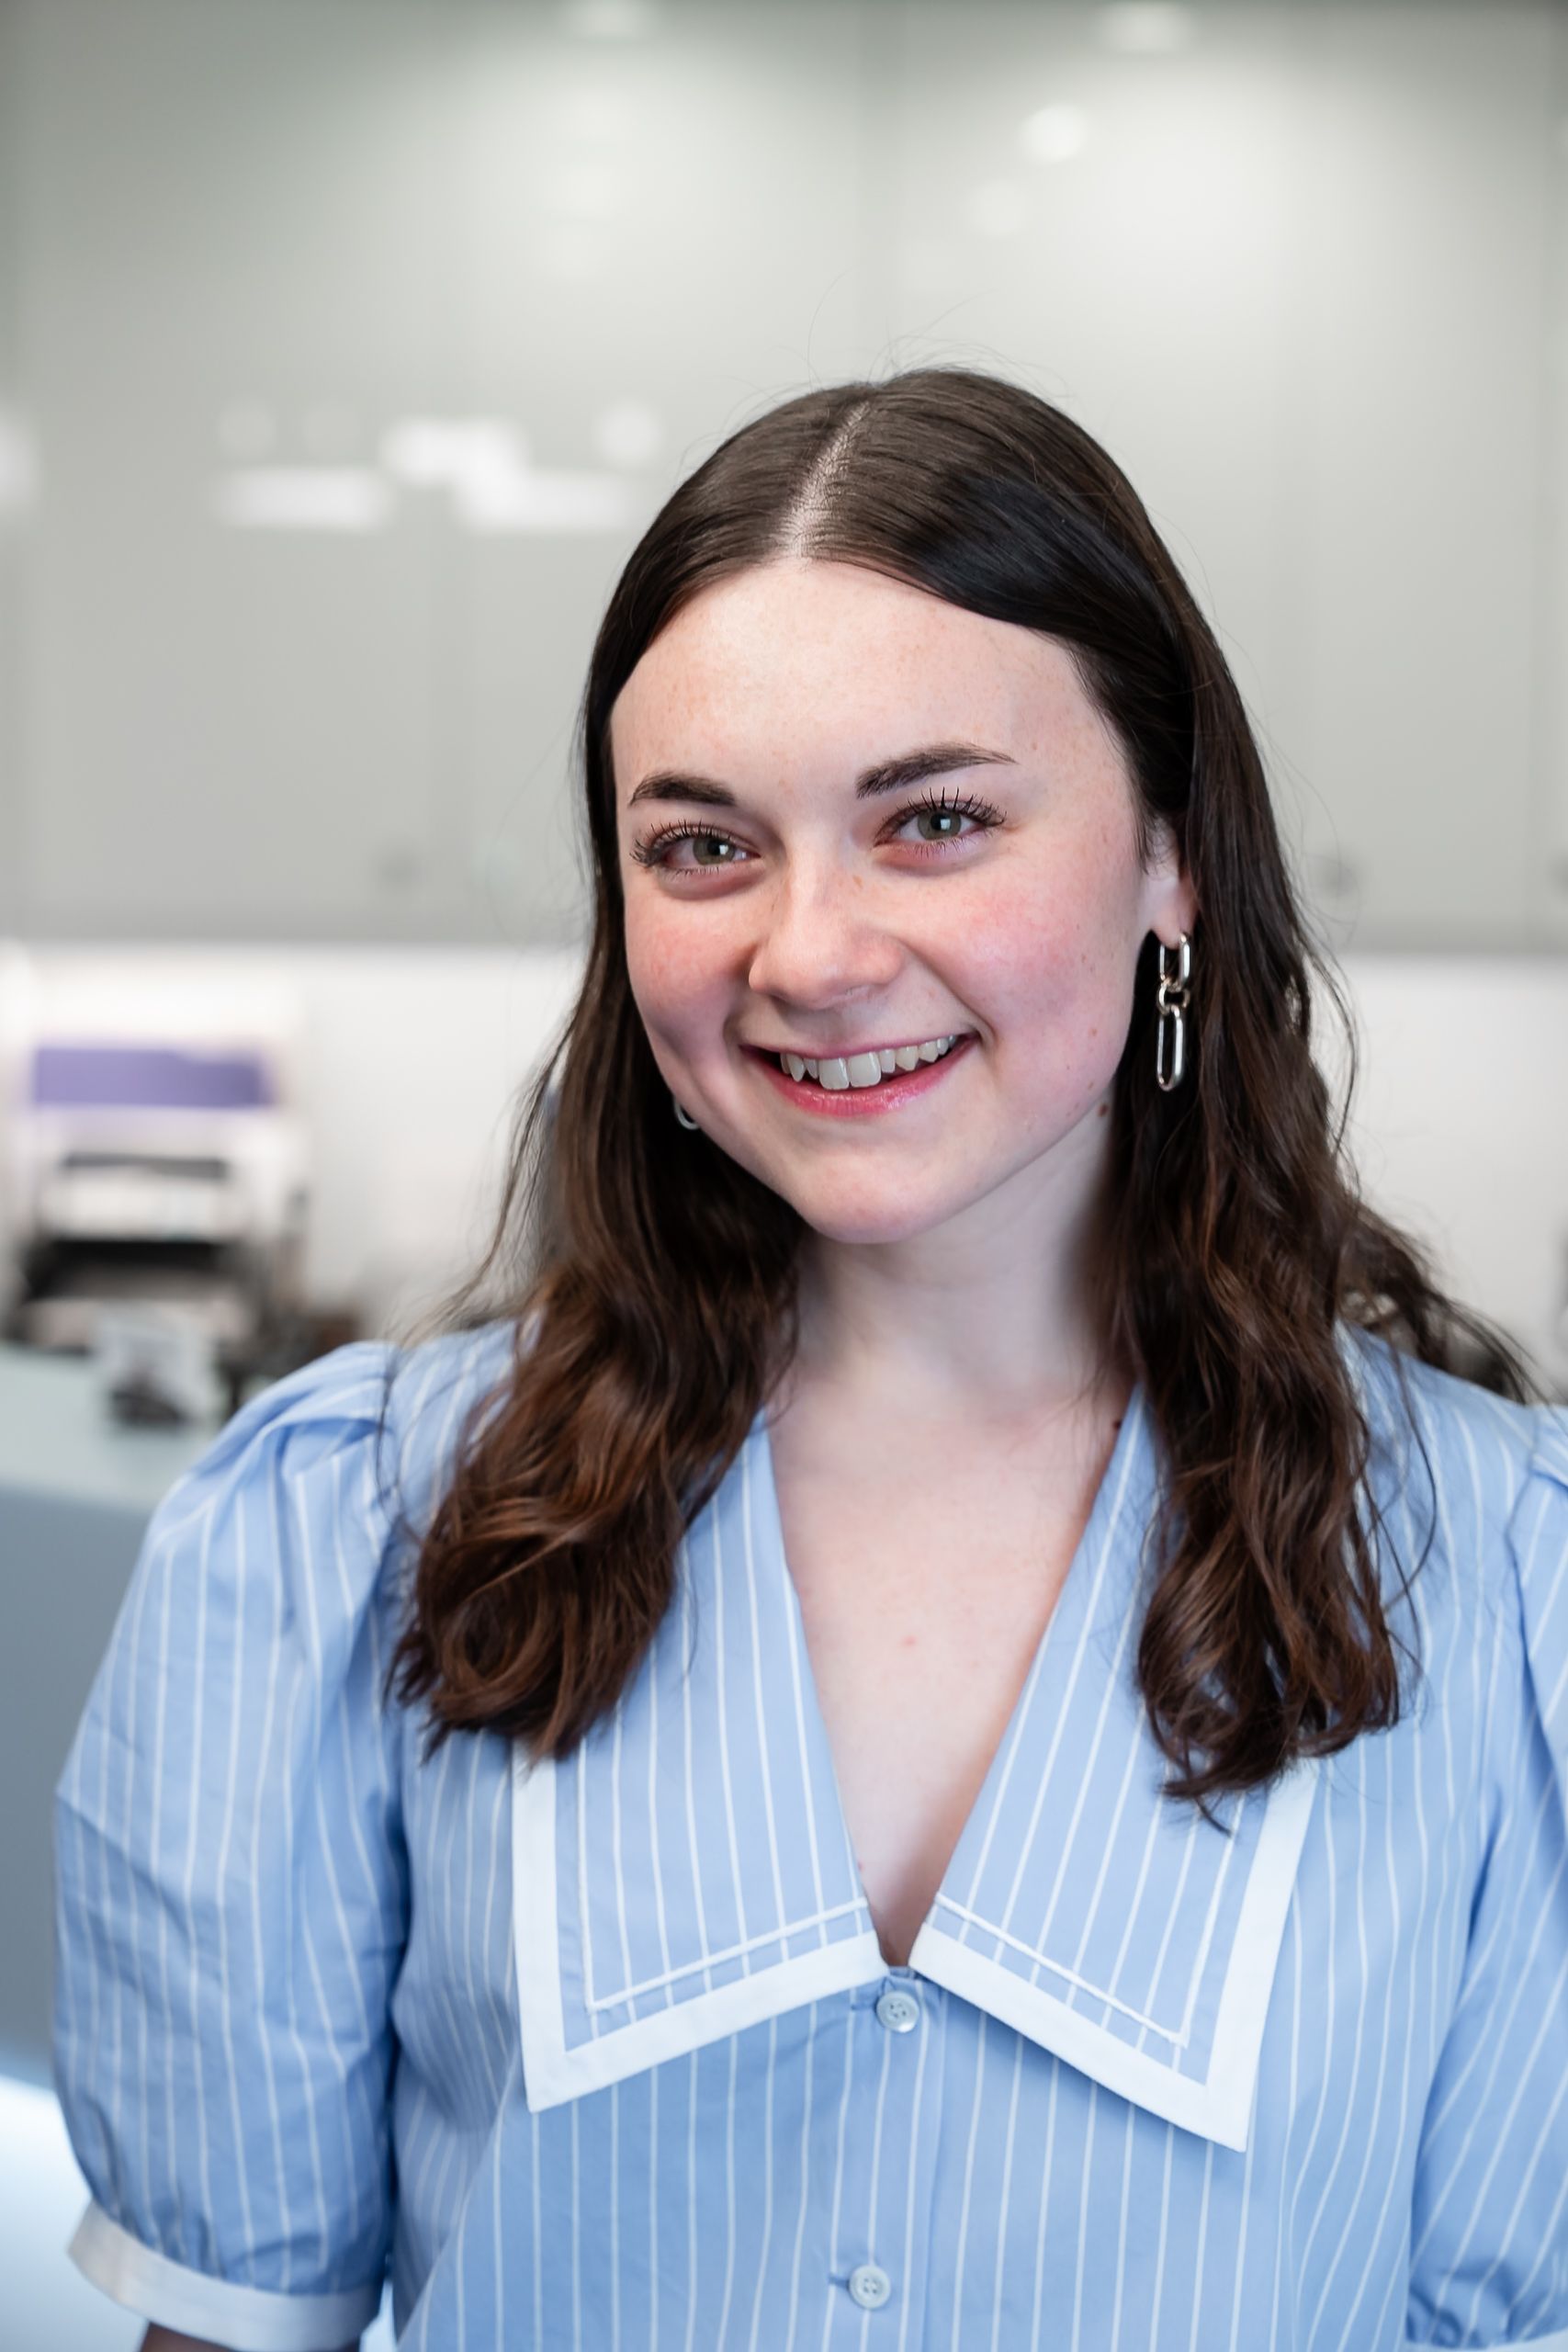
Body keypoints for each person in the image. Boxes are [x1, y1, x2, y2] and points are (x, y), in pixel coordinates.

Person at [52, 367, 1568, 2351]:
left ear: (1167, 861)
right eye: (701, 848)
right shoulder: (347, 1532)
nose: (810, 951)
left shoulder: (1499, 1574)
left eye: (932, 819)